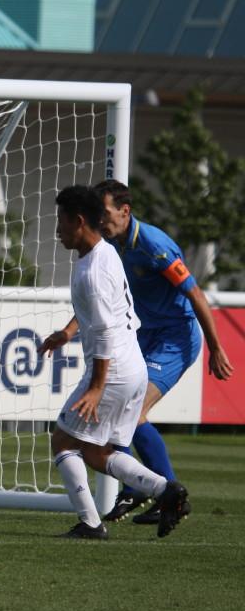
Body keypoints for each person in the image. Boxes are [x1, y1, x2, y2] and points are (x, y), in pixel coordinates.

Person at [38, 185, 189, 540]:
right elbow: (98, 312)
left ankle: (91, 525)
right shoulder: (105, 253)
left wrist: (95, 387)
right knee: (95, 450)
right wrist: (67, 333)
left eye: (60, 222)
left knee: (63, 441)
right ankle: (165, 491)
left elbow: (104, 329)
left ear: (78, 222)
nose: (57, 230)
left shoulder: (91, 272)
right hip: (132, 364)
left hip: (114, 369)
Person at [90, 179, 234, 524]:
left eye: (104, 212)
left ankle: (170, 495)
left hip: (176, 338)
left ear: (125, 211)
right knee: (114, 406)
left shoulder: (154, 246)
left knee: (134, 413)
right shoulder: (110, 244)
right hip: (144, 334)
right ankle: (135, 488)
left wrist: (216, 347)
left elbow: (196, 295)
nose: (99, 219)